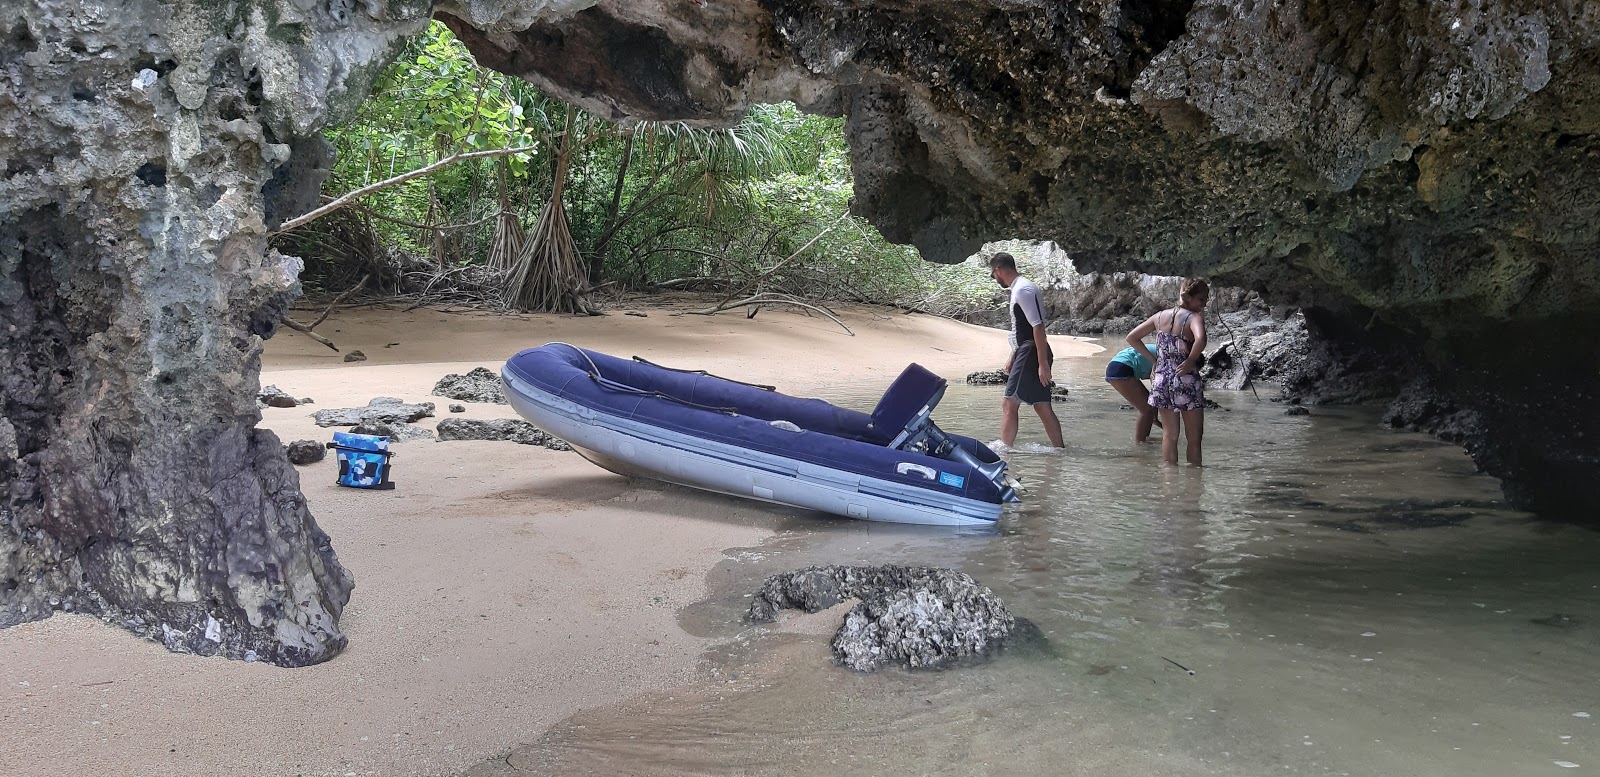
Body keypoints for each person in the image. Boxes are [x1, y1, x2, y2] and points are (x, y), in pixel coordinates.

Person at [1126, 278, 1209, 465]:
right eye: (1202, 299)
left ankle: (1169, 483)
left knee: (1169, 435)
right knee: (1194, 439)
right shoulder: (1194, 318)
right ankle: (1193, 484)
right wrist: (1190, 361)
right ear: (1189, 297)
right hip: (1184, 379)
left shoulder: (1159, 316)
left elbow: (1132, 337)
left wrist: (1155, 360)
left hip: (1161, 379)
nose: (1204, 304)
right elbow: (1201, 339)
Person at [988, 252, 1064, 449]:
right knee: (1042, 405)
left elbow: (1037, 327)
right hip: (1028, 350)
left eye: (994, 274)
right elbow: (1023, 328)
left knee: (1009, 402)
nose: (995, 279)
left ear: (998, 270)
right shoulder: (1021, 288)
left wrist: (1043, 364)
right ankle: (1059, 450)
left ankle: (1004, 451)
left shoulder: (1023, 289)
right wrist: (1013, 355)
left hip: (1031, 351)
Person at [1104, 340, 1160, 443]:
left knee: (1149, 407)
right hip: (1121, 367)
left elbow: (1155, 389)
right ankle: (1140, 445)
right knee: (1146, 409)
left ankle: (1145, 440)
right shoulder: (1172, 359)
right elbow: (1156, 384)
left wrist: (1155, 417)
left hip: (1119, 365)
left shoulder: (1170, 350)